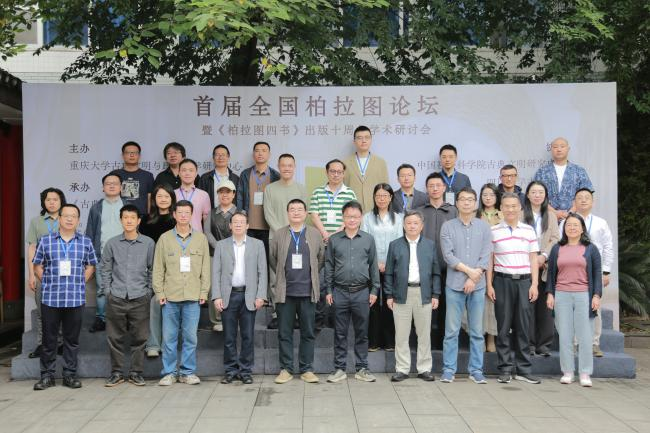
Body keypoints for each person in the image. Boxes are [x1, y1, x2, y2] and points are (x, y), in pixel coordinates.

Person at [32, 203, 97, 390]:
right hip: (50, 299)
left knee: (72, 340)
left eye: (73, 216)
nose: (69, 219)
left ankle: (69, 375)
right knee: (49, 340)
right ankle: (47, 376)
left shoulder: (85, 242)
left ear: (78, 220)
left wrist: (80, 281)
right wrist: (48, 282)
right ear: (59, 218)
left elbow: (91, 265)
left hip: (75, 299)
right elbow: (37, 265)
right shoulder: (46, 241)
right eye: (66, 215)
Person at [153, 200, 211, 386]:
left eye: (187, 212)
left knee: (190, 337)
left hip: (193, 295)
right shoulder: (164, 239)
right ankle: (169, 373)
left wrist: (204, 291)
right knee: (169, 337)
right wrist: (159, 292)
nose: (184, 216)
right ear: (174, 215)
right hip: (170, 296)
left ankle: (187, 372)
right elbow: (158, 268)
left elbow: (205, 268)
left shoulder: (201, 239)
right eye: (180, 212)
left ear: (192, 215)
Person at [487, 192, 541, 384]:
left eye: (514, 206)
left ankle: (523, 369)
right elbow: (490, 261)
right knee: (503, 327)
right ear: (501, 209)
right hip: (502, 282)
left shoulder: (529, 230)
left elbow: (533, 259)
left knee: (523, 327)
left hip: (524, 282)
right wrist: (489, 284)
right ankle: (505, 369)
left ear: (520, 208)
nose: (510, 209)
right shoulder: (493, 231)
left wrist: (534, 284)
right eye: (506, 206)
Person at [440, 187, 493, 384]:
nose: (466, 202)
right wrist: (469, 272)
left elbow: (486, 255)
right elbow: (448, 255)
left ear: (475, 203)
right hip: (454, 285)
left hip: (477, 286)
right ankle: (448, 369)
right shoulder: (447, 226)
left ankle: (476, 370)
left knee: (477, 331)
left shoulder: (484, 227)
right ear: (457, 203)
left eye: (470, 199)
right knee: (451, 331)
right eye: (462, 199)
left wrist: (473, 278)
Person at [270, 199, 325, 384]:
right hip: (285, 292)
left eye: (300, 209)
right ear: (287, 213)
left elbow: (320, 258)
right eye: (292, 209)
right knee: (284, 333)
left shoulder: (315, 234)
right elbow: (273, 259)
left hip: (308, 292)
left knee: (308, 332)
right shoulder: (279, 234)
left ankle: (306, 369)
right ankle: (286, 369)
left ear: (305, 212)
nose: (296, 212)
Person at [325, 201, 380, 383]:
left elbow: (373, 266)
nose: (352, 220)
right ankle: (339, 368)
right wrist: (329, 290)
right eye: (349, 216)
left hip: (362, 292)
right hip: (339, 292)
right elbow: (329, 266)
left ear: (361, 218)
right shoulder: (334, 240)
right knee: (339, 333)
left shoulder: (368, 239)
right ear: (343, 217)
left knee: (362, 332)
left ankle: (362, 368)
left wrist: (374, 289)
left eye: (356, 216)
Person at [101, 204, 155, 387]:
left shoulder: (148, 243)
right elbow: (105, 269)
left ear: (138, 221)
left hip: (140, 296)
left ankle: (136, 373)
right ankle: (116, 373)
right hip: (116, 297)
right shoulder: (112, 243)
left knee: (140, 338)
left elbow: (152, 269)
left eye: (133, 218)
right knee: (114, 337)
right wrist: (108, 291)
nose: (129, 221)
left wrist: (148, 291)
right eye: (125, 218)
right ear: (121, 220)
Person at [546, 213, 602, 387]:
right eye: (568, 225)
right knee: (565, 335)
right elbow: (551, 273)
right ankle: (568, 371)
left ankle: (585, 373)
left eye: (575, 225)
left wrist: (596, 295)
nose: (572, 228)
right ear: (564, 228)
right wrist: (550, 293)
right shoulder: (557, 248)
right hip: (561, 294)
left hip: (584, 295)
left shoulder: (591, 249)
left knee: (585, 336)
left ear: (582, 228)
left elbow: (597, 274)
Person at [384, 210, 440, 382]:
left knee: (424, 334)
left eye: (416, 223)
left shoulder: (430, 245)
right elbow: (388, 273)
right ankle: (402, 369)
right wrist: (389, 295)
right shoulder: (395, 245)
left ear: (422, 226)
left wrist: (435, 294)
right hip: (401, 294)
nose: (412, 226)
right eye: (409, 223)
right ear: (403, 225)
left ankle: (424, 368)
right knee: (401, 334)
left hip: (424, 293)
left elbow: (436, 272)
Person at [212, 211, 268, 385]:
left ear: (247, 225)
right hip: (228, 295)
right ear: (230, 225)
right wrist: (216, 296)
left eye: (241, 222)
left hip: (249, 295)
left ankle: (245, 370)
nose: (238, 224)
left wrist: (261, 295)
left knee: (247, 336)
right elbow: (216, 272)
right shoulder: (221, 245)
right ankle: (230, 370)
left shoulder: (257, 245)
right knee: (229, 337)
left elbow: (262, 272)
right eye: (235, 222)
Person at [309, 159, 357, 329]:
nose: (336, 174)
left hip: (342, 243)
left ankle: (336, 319)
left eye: (339, 172)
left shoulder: (349, 193)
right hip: (321, 244)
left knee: (340, 282)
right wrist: (325, 234)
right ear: (327, 172)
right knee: (321, 282)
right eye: (332, 171)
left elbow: (351, 216)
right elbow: (314, 214)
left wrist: (334, 235)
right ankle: (319, 318)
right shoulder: (318, 192)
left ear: (343, 173)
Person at [572, 188, 614, 357]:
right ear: (574, 202)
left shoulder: (601, 223)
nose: (583, 200)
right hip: (573, 270)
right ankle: (576, 343)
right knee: (575, 307)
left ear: (592, 202)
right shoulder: (567, 222)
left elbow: (608, 246)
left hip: (595, 270)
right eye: (579, 198)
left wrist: (606, 271)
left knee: (595, 306)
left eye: (587, 198)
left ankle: (594, 343)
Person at [361, 183, 403, 352]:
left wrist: (388, 264)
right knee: (372, 302)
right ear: (374, 197)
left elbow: (400, 243)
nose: (381, 199)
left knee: (390, 303)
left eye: (385, 196)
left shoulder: (398, 218)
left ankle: (389, 341)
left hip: (392, 267)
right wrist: (375, 263)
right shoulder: (367, 218)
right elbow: (364, 241)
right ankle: (373, 341)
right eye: (378, 196)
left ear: (391, 197)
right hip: (371, 266)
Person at [419, 172, 458, 348]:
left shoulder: (453, 211)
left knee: (447, 306)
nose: (434, 189)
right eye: (431, 186)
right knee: (426, 305)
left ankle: (444, 342)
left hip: (448, 267)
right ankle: (425, 342)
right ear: (426, 189)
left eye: (438, 185)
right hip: (425, 266)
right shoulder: (419, 211)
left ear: (444, 188)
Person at [26, 187, 66, 359]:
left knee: (63, 309)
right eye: (48, 199)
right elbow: (32, 248)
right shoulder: (36, 222)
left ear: (61, 201)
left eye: (55, 199)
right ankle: (42, 344)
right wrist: (31, 274)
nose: (51, 202)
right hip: (41, 272)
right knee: (43, 311)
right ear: (43, 202)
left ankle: (61, 343)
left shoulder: (67, 219)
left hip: (63, 273)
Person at [522, 181, 560, 357]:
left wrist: (543, 256)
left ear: (545, 196)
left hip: (545, 266)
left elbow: (555, 239)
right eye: (533, 192)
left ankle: (544, 345)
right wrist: (531, 258)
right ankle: (528, 344)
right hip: (525, 266)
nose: (537, 195)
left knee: (545, 307)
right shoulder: (520, 214)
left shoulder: (551, 216)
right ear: (527, 195)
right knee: (527, 306)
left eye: (540, 192)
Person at [86, 172, 126, 333]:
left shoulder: (128, 206)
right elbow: (90, 233)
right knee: (102, 289)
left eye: (115, 183)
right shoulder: (96, 208)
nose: (111, 185)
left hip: (125, 255)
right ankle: (101, 318)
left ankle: (122, 319)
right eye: (108, 183)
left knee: (124, 288)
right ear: (103, 187)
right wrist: (90, 258)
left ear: (121, 187)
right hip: (102, 255)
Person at [140, 184, 177, 358]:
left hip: (173, 269)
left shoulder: (177, 220)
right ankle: (153, 343)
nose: (163, 199)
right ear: (154, 199)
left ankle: (167, 344)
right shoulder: (145, 220)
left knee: (169, 306)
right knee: (155, 303)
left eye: (166, 196)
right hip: (151, 268)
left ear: (172, 199)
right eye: (159, 196)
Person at [204, 179, 238, 332]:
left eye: (228, 192)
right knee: (214, 287)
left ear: (233, 194)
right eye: (221, 192)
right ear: (217, 194)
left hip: (235, 253)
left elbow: (241, 231)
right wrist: (219, 247)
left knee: (234, 286)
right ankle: (217, 320)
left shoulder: (240, 213)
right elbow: (207, 232)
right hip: (214, 254)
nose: (225, 195)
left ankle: (232, 319)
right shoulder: (211, 213)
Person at [236, 141, 280, 257]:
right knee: (248, 258)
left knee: (266, 258)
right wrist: (241, 219)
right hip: (249, 226)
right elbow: (239, 197)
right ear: (253, 154)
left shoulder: (276, 176)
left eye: (264, 151)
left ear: (269, 154)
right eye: (257, 151)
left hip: (268, 226)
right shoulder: (245, 174)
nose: (260, 153)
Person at [533, 137, 593, 221]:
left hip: (574, 219)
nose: (559, 149)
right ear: (551, 149)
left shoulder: (579, 171)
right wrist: (554, 212)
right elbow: (535, 195)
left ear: (568, 149)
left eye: (562, 146)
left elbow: (587, 194)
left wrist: (571, 212)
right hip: (548, 218)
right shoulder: (542, 172)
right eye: (555, 147)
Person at [476, 183, 502, 352]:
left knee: (493, 301)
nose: (488, 198)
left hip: (499, 261)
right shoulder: (475, 214)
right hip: (479, 261)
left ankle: (491, 337)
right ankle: (479, 337)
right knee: (480, 302)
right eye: (484, 195)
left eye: (491, 195)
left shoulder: (503, 214)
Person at [343, 126, 389, 212]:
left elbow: (386, 189)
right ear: (354, 141)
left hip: (375, 209)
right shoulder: (345, 163)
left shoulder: (381, 162)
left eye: (367, 137)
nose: (363, 141)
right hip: (352, 210)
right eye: (359, 138)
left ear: (371, 140)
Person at [263, 153, 307, 240]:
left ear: (294, 167)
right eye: (283, 165)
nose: (286, 168)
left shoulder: (301, 189)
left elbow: (303, 213)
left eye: (290, 166)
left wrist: (293, 231)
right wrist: (282, 233)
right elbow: (268, 214)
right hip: (276, 237)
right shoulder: (269, 189)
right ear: (278, 167)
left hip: (297, 236)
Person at [113, 141, 154, 216]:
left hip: (141, 217)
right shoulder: (114, 175)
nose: (131, 155)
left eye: (135, 153)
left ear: (139, 155)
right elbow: (110, 195)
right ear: (123, 155)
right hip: (119, 216)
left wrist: (149, 217)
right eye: (128, 152)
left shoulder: (148, 176)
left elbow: (149, 198)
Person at [198, 144, 240, 208]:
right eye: (217, 155)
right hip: (211, 213)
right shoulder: (205, 178)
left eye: (223, 155)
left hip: (231, 213)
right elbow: (200, 199)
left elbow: (239, 199)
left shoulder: (236, 178)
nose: (220, 157)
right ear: (213, 158)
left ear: (228, 157)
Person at [174, 159, 211, 232]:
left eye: (191, 170)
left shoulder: (204, 195)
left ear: (196, 173)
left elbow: (206, 220)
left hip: (197, 236)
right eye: (184, 170)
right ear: (179, 173)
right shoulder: (172, 194)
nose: (187, 173)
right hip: (175, 236)